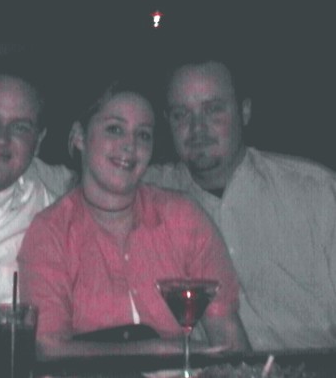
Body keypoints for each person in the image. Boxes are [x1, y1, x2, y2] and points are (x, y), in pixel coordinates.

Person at [16, 81, 250, 358]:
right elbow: (47, 349)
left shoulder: (183, 218)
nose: (130, 145)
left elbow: (230, 342)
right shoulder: (51, 232)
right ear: (79, 137)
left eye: (143, 135)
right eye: (115, 129)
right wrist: (156, 352)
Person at [138, 58, 336, 351]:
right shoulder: (144, 194)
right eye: (181, 114)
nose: (197, 128)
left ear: (244, 111)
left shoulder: (315, 193)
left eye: (213, 109)